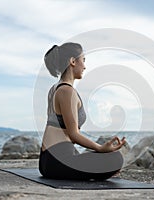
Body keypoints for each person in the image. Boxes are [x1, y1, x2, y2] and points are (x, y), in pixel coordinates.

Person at [39, 42, 126, 180]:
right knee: (116, 158)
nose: (85, 66)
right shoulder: (67, 91)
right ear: (73, 61)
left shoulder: (54, 89)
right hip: (58, 161)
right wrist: (100, 148)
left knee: (107, 160)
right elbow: (73, 134)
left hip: (48, 160)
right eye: (83, 60)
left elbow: (61, 132)